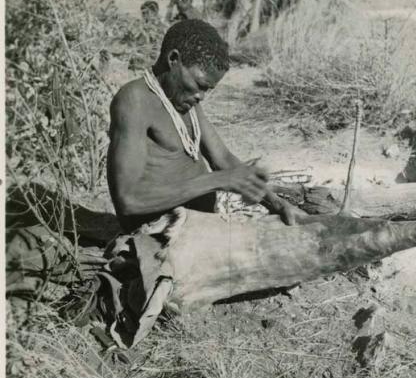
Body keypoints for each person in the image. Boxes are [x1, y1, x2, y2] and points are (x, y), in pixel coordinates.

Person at [107, 19, 305, 233]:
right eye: (199, 85)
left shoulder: (181, 99)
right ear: (173, 59)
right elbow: (129, 200)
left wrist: (276, 203)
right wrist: (215, 181)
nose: (200, 96)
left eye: (207, 90)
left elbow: (223, 159)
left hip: (200, 226)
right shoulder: (135, 100)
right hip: (160, 233)